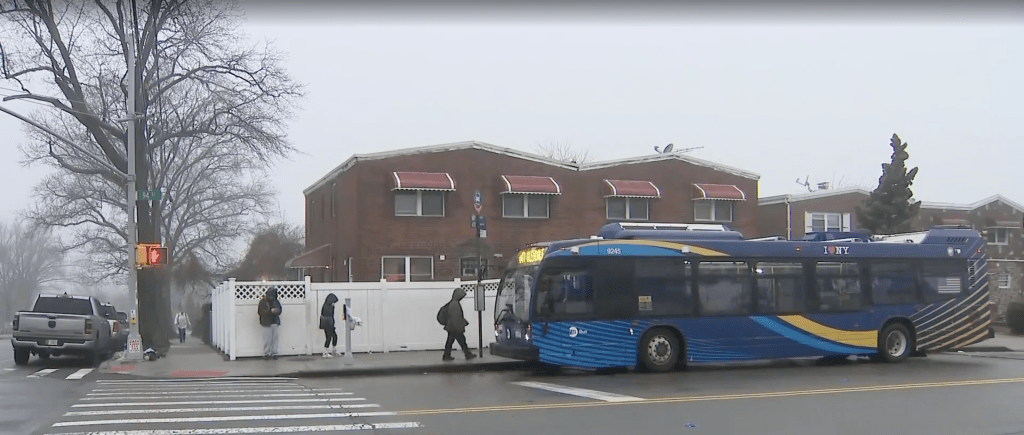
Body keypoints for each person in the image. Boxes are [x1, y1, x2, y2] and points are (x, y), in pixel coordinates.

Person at [441, 288, 477, 361]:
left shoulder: (453, 303)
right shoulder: (455, 304)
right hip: (455, 328)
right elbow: (456, 317)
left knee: (451, 342)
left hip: (452, 327)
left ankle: (447, 355)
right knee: (461, 341)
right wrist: (460, 327)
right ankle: (467, 354)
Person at [257, 287, 283, 359]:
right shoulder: (263, 301)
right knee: (267, 339)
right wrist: (270, 311)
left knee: (275, 338)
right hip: (267, 322)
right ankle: (266, 353)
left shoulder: (275, 301)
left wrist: (276, 311)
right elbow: (260, 312)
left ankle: (274, 353)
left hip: (274, 321)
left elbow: (280, 310)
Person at [319, 293, 339, 358]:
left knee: (332, 337)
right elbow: (330, 317)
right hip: (329, 324)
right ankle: (326, 352)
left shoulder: (325, 306)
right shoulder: (330, 307)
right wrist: (332, 325)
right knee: (330, 337)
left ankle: (331, 350)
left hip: (326, 324)